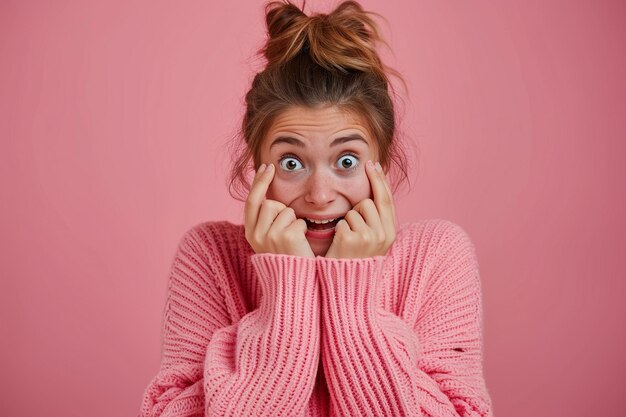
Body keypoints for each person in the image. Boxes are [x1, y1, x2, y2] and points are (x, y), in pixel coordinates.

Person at [139, 1, 494, 416]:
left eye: (347, 162)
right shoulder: (210, 256)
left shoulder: (437, 255)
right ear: (258, 166)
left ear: (382, 162)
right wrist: (288, 285)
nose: (320, 194)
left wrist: (350, 298)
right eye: (292, 163)